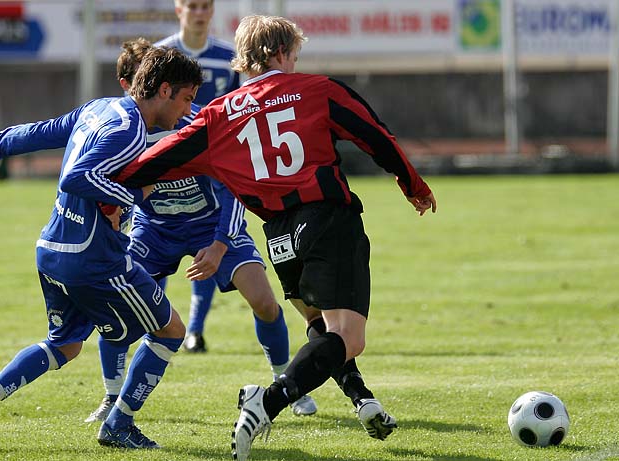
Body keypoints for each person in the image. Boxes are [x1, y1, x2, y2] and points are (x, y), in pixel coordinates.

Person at [113, 15, 437, 461]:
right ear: (280, 54)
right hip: (326, 220)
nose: (296, 61)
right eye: (295, 54)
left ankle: (363, 399)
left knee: (322, 328)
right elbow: (376, 136)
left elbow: (154, 160)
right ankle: (265, 402)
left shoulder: (217, 115)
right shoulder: (318, 90)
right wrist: (413, 184)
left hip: (280, 239)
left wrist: (105, 187)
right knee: (348, 337)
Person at [0, 47, 204, 450]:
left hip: (52, 249)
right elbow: (76, 178)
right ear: (165, 89)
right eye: (187, 99)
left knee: (64, 345)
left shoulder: (97, 108)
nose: (187, 110)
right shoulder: (130, 129)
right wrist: (133, 195)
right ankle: (118, 424)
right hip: (93, 258)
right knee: (171, 329)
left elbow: (39, 131)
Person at [86, 37, 317, 423]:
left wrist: (221, 244)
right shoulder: (122, 131)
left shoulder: (197, 125)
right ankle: (112, 398)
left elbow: (232, 186)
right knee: (120, 309)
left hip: (210, 225)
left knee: (263, 299)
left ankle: (284, 386)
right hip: (154, 230)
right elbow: (109, 188)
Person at [155, 0, 241, 353]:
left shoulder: (227, 56)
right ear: (179, 10)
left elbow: (238, 106)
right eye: (192, 5)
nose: (199, 12)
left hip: (214, 167)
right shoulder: (160, 54)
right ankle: (152, 322)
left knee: (209, 243)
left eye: (205, 6)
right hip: (168, 168)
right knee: (155, 244)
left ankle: (195, 329)